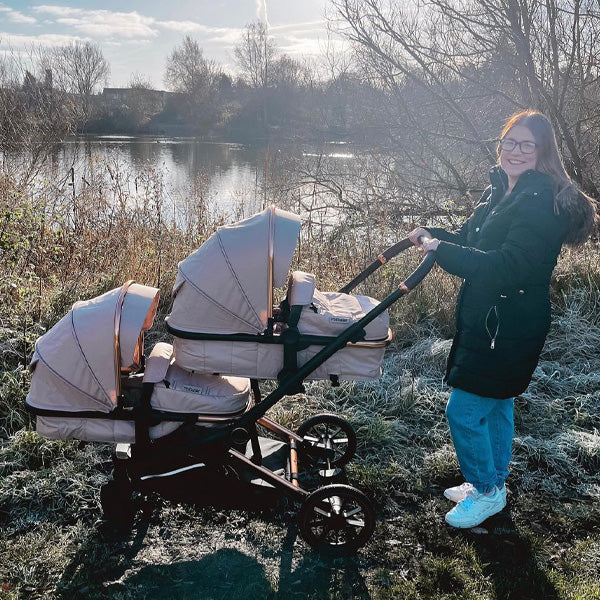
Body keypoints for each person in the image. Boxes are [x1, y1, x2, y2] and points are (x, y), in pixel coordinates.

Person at [408, 110, 596, 529]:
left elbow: (507, 266)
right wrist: (430, 235)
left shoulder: (542, 204)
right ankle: (491, 483)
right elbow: (469, 240)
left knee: (464, 408)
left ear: (543, 152)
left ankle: (487, 491)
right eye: (509, 141)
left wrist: (444, 251)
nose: (514, 151)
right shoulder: (500, 192)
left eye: (526, 144)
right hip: (491, 315)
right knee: (495, 404)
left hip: (510, 321)